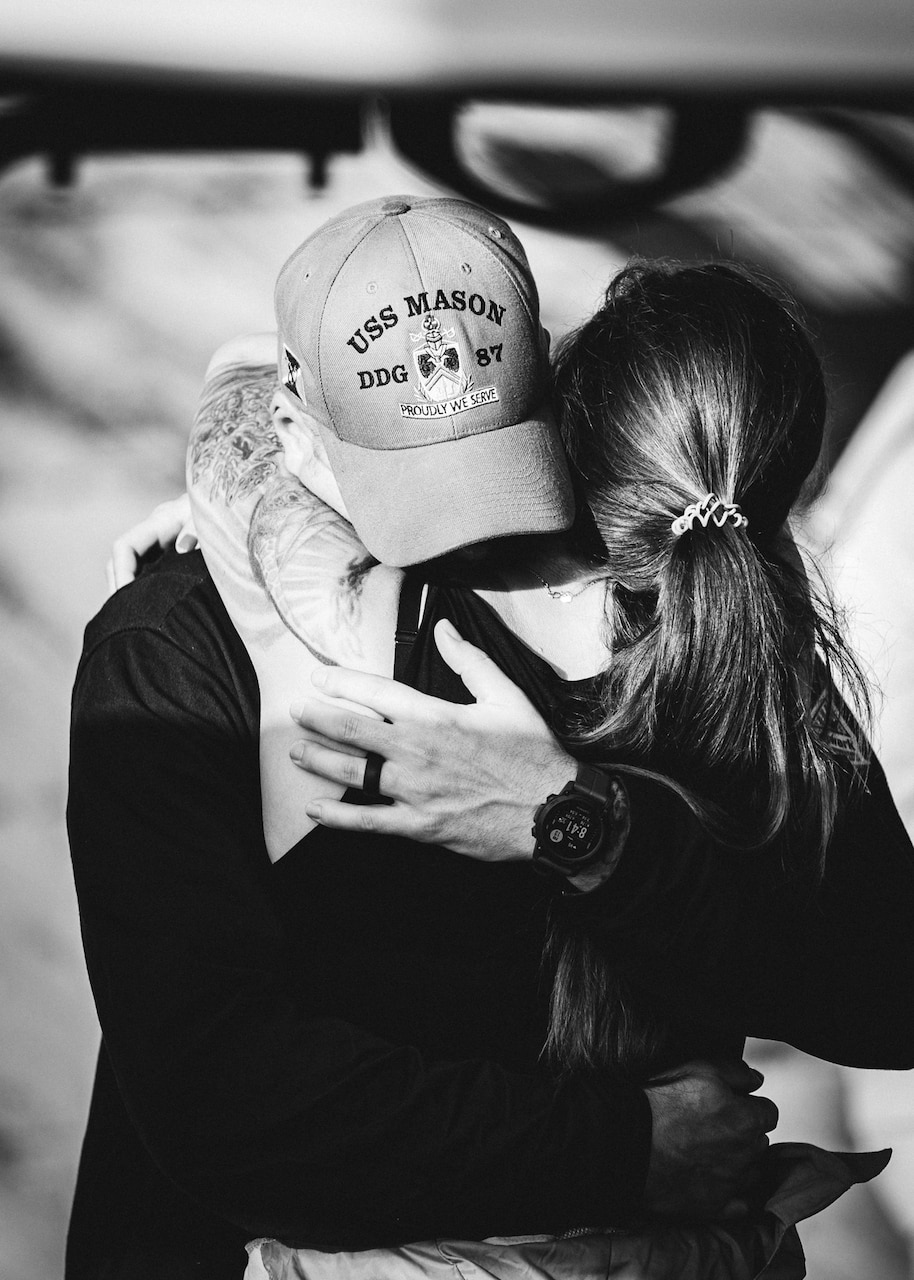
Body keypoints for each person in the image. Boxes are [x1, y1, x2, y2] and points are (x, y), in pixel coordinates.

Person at [68, 197, 779, 1280]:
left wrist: (576, 821)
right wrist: (625, 1147)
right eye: (410, 469)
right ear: (297, 420)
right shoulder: (170, 649)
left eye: (490, 450)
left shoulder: (659, 598)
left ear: (543, 370)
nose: (477, 538)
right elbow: (223, 1096)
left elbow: (839, 964)